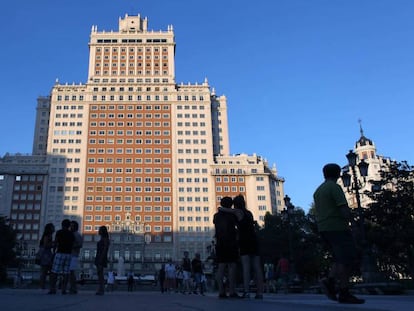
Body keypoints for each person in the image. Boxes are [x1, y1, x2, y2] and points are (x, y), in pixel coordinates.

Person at [313, 163, 365, 304]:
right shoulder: (334, 187)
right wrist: (353, 224)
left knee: (338, 258)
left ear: (324, 174)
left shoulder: (318, 190)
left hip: (323, 228)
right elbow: (343, 208)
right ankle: (343, 291)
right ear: (338, 175)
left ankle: (330, 282)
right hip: (337, 227)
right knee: (346, 259)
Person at [232, 194, 264, 299]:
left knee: (246, 266)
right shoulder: (249, 213)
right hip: (254, 238)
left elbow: (226, 210)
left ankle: (247, 291)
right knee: (257, 267)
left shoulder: (238, 212)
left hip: (244, 240)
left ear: (236, 204)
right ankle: (260, 293)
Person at [213, 196, 242, 298]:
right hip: (231, 243)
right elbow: (239, 221)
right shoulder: (232, 215)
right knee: (232, 267)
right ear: (230, 205)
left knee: (221, 267)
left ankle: (221, 291)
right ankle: (232, 291)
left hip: (220, 243)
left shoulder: (216, 216)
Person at [48, 219, 74, 294]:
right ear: (69, 226)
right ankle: (64, 289)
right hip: (68, 254)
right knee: (66, 272)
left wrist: (54, 251)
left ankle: (53, 288)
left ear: (62, 225)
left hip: (60, 253)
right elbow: (72, 244)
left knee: (55, 271)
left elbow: (56, 242)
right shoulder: (71, 234)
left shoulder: (59, 232)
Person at [38, 223, 55, 290]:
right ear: (50, 228)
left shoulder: (48, 235)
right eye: (53, 227)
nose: (54, 228)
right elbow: (45, 245)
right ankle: (42, 286)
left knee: (45, 271)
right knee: (45, 271)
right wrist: (52, 245)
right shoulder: (47, 236)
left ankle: (42, 286)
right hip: (46, 254)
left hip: (46, 254)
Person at [68, 220, 83, 294]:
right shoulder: (72, 234)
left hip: (74, 255)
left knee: (72, 272)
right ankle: (72, 287)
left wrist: (71, 246)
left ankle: (73, 288)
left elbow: (80, 245)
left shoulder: (77, 235)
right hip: (71, 255)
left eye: (72, 226)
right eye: (70, 225)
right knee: (70, 272)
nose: (70, 227)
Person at [95, 225, 110, 296]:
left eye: (100, 230)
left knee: (100, 274)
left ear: (103, 231)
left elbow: (105, 249)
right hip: (99, 256)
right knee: (99, 274)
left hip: (101, 257)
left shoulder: (105, 239)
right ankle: (100, 289)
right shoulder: (103, 239)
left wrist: (101, 258)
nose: (98, 231)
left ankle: (101, 289)